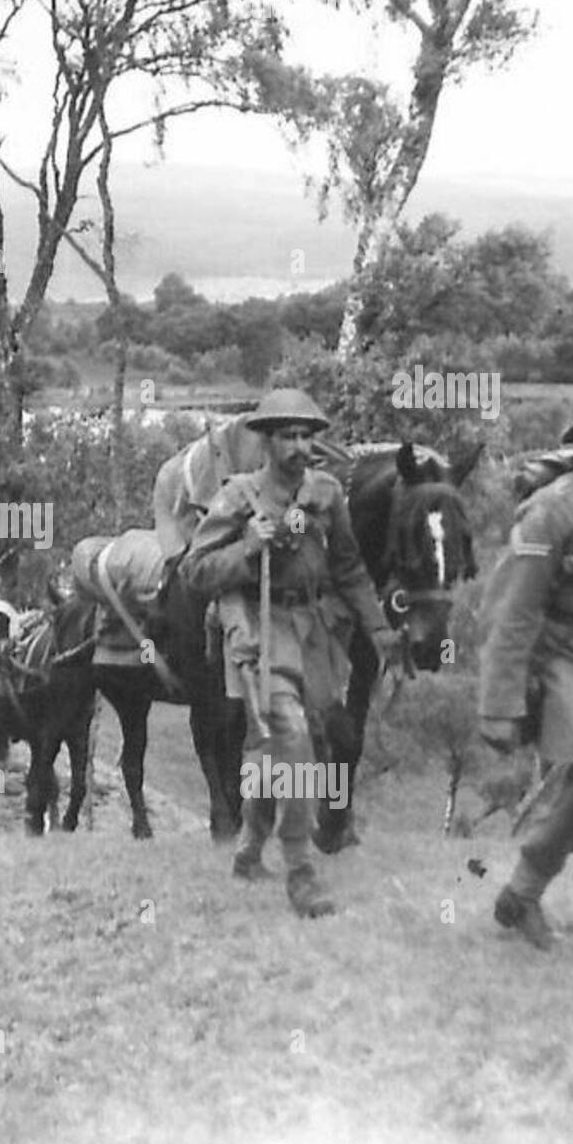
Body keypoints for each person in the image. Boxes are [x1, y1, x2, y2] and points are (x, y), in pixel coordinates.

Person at [182, 388, 404, 917]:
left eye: (308, 436)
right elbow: (194, 572)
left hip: (317, 636)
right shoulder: (238, 497)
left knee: (295, 749)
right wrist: (246, 550)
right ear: (266, 440)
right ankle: (301, 872)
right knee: (293, 739)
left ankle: (249, 850)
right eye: (289, 436)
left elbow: (349, 569)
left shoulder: (326, 495)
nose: (301, 446)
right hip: (263, 628)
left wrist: (378, 631)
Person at [479, 369, 573, 951]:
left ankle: (523, 891)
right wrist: (500, 705)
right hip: (571, 664)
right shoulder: (554, 511)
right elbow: (513, 611)